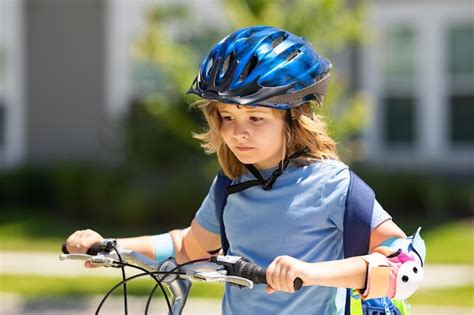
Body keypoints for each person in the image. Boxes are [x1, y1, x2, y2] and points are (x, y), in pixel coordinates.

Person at [65, 26, 425, 314]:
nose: (238, 131)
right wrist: (109, 247)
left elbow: (404, 263)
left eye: (255, 117)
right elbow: (188, 246)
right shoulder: (230, 186)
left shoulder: (332, 184)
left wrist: (311, 273)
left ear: (294, 119)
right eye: (226, 117)